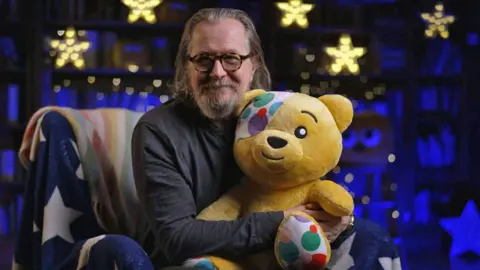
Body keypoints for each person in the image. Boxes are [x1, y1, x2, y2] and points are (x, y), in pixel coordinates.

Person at [131, 8, 358, 269]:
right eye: (203, 59)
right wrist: (281, 221)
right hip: (192, 263)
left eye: (231, 58)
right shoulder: (157, 130)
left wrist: (341, 221)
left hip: (274, 257)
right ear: (186, 66)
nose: (217, 72)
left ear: (254, 65)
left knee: (372, 237)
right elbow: (178, 239)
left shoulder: (275, 117)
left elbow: (307, 189)